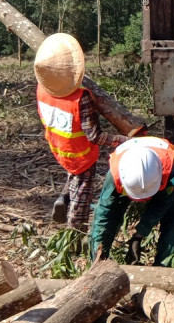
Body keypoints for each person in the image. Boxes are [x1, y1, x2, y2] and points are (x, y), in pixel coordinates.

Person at [34, 33, 128, 229]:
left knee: (72, 174)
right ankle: (74, 234)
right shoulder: (80, 98)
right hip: (80, 154)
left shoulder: (42, 89)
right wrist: (124, 140)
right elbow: (95, 136)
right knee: (82, 198)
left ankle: (63, 197)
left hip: (59, 148)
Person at [90, 136, 174, 266]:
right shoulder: (116, 174)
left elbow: (162, 204)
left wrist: (139, 235)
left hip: (165, 176)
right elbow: (105, 214)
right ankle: (99, 262)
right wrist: (98, 254)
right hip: (134, 173)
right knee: (109, 217)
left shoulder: (168, 170)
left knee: (173, 215)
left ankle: (164, 265)